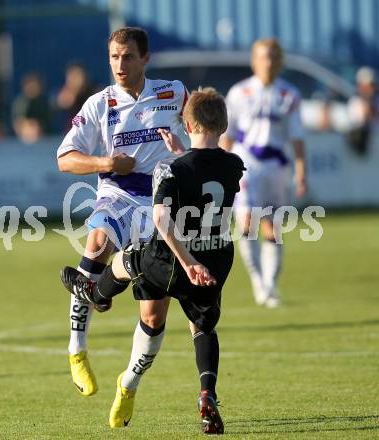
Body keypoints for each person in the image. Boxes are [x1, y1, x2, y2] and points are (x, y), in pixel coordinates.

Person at [60, 87, 245, 433]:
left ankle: (95, 294)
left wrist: (187, 261)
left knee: (132, 260)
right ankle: (207, 394)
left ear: (186, 126)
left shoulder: (169, 168)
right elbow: (204, 168)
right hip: (217, 257)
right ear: (224, 124)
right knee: (203, 328)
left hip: (177, 259)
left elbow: (162, 219)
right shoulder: (235, 166)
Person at [57, 27, 187, 398]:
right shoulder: (99, 104)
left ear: (145, 58)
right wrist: (107, 161)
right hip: (118, 193)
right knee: (97, 242)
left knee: (153, 314)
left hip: (163, 203)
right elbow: (65, 159)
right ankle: (77, 350)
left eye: (128, 56)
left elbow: (205, 126)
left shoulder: (173, 93)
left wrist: (196, 151)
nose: (120, 64)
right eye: (114, 56)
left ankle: (128, 386)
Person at [220, 38, 307, 308]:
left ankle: (270, 285)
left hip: (278, 166)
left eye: (272, 57)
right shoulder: (239, 92)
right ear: (253, 61)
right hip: (247, 164)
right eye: (262, 57)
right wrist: (221, 168)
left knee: (273, 228)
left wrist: (302, 171)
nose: (267, 62)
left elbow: (297, 137)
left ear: (279, 61)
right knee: (247, 221)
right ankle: (258, 282)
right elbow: (228, 134)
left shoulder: (289, 94)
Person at [347, 66, 379, 155]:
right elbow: (360, 123)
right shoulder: (354, 103)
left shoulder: (376, 101)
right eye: (367, 85)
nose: (371, 88)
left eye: (372, 85)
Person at [56, 62, 96, 132]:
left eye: (77, 75)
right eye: (72, 76)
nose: (74, 80)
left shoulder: (94, 94)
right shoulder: (65, 95)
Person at [12, 72, 52, 140]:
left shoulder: (44, 102)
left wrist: (39, 127)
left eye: (36, 85)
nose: (33, 88)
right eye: (31, 85)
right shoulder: (21, 103)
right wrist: (28, 127)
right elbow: (18, 123)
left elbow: (48, 121)